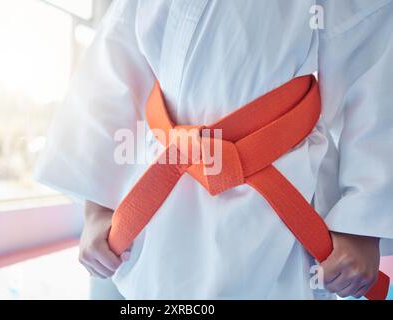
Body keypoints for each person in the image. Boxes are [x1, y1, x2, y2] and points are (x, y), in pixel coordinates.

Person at [35, 0, 393, 299]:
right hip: (155, 193)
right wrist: (97, 208)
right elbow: (113, 68)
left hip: (278, 200)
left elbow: (369, 57)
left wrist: (360, 224)